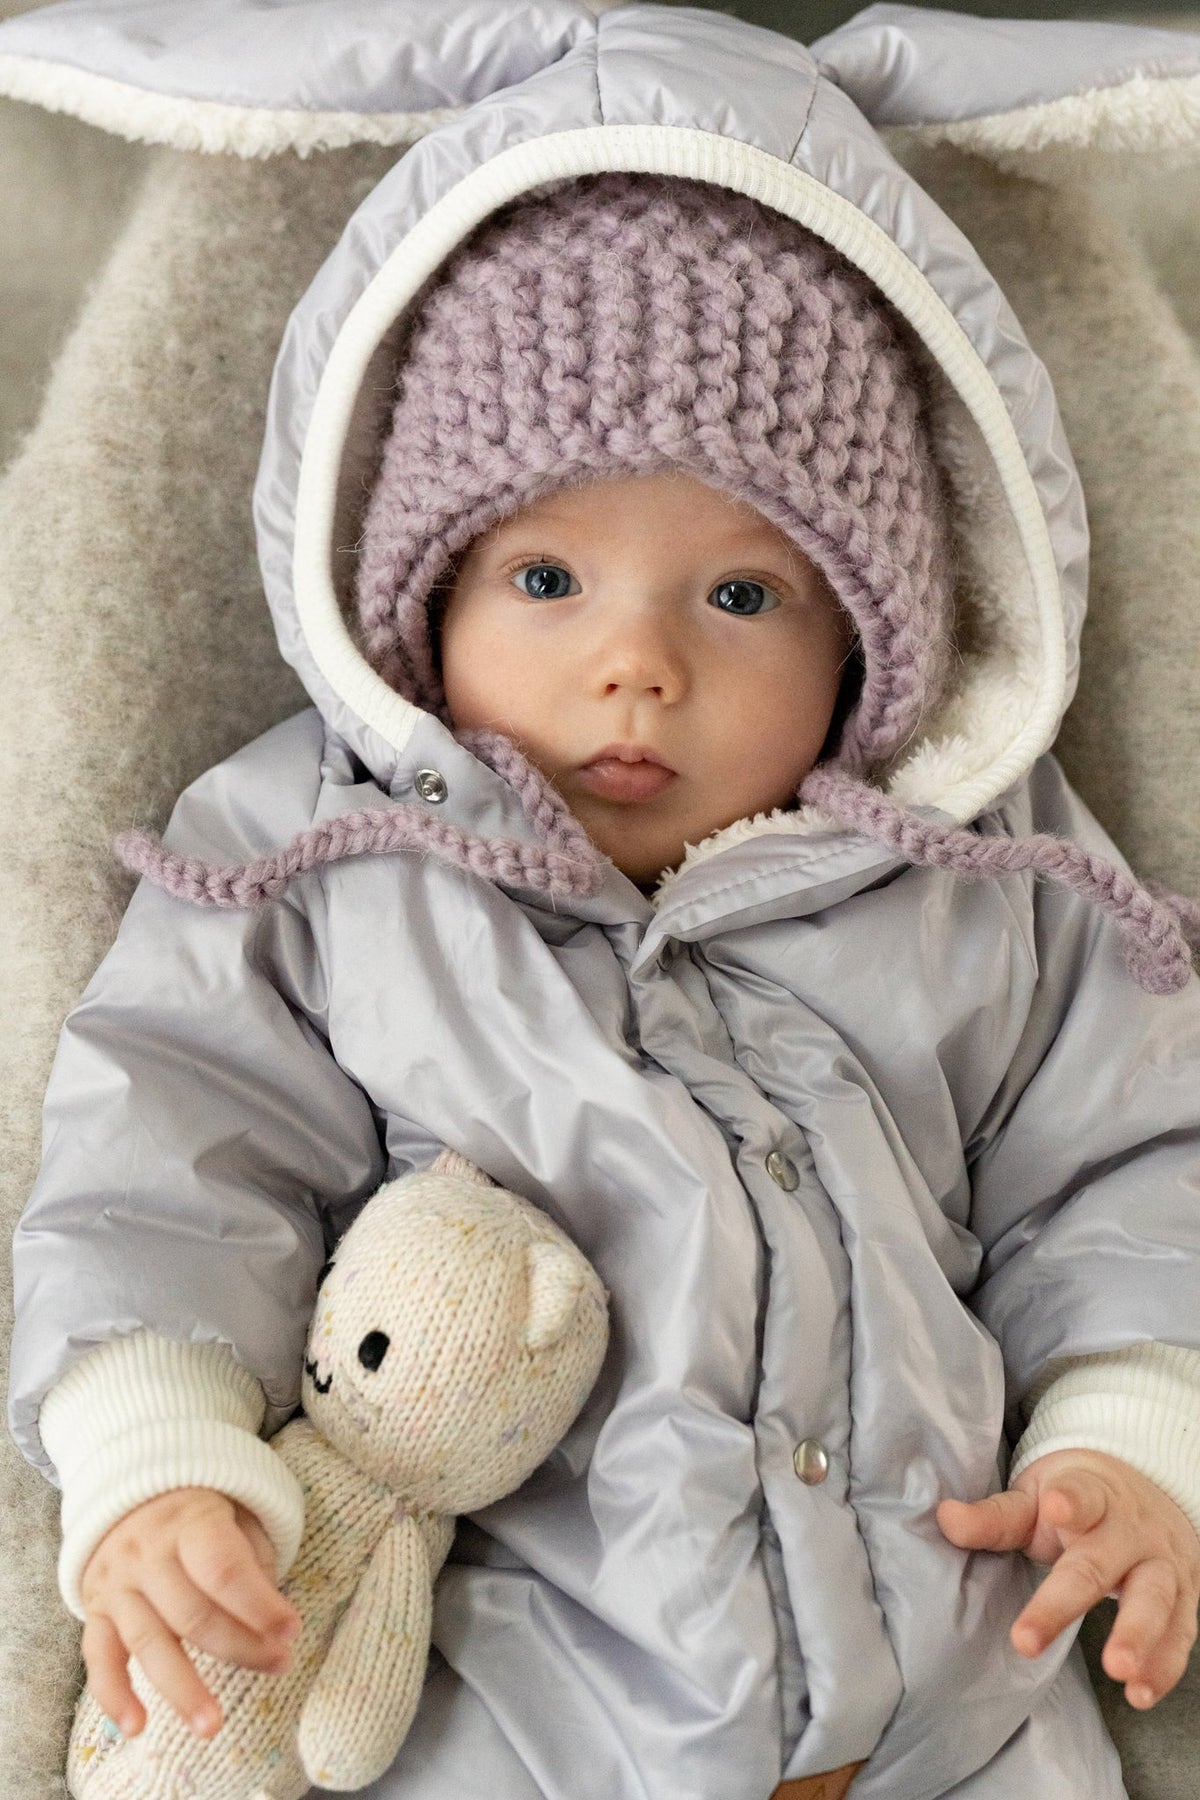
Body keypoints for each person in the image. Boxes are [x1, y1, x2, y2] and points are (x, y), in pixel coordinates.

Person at [9, 147, 1200, 1800]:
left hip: (964, 1685)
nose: (638, 663)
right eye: (546, 581)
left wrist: (1132, 1434)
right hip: (509, 1689)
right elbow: (170, 1151)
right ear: (425, 597)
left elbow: (1135, 1159)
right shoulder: (321, 861)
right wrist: (156, 1452)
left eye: (740, 593)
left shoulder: (986, 879)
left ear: (870, 639)